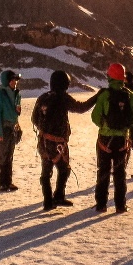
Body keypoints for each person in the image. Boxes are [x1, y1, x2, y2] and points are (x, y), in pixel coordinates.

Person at [30, 70, 99, 211]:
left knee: (46, 170)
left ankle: (48, 201)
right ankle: (58, 196)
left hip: (43, 141)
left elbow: (34, 119)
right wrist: (97, 96)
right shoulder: (63, 97)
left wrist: (45, 130)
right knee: (64, 169)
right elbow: (81, 108)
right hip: (58, 143)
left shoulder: (42, 97)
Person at [90, 62, 133, 214]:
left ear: (109, 76)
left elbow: (95, 117)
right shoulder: (131, 96)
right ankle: (120, 205)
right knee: (120, 173)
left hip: (105, 139)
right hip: (121, 141)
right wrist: (123, 128)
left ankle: (101, 204)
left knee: (103, 171)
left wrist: (104, 125)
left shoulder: (105, 95)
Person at [0, 70, 22, 192]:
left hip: (12, 128)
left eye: (16, 80)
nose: (15, 83)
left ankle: (8, 182)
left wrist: (18, 126)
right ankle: (2, 183)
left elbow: (16, 114)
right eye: (13, 80)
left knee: (9, 155)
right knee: (3, 156)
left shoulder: (15, 94)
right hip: (4, 129)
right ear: (7, 81)